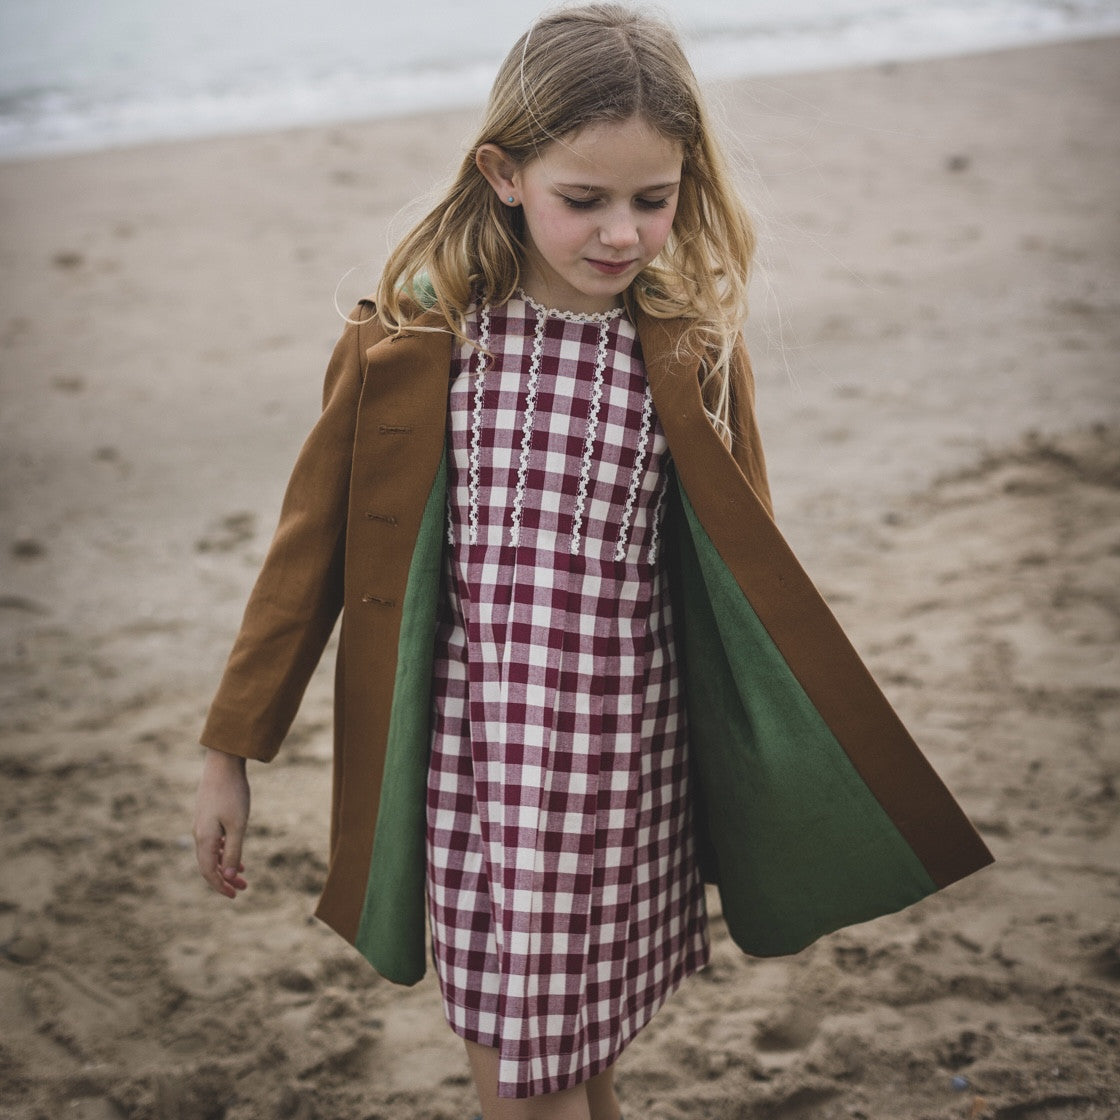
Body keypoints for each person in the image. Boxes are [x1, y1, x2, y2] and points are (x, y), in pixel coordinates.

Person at [193, 5, 992, 1118]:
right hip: (476, 780)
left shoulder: (691, 355)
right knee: (526, 1077)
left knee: (578, 1061)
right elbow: (306, 551)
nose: (621, 232)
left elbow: (746, 581)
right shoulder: (416, 345)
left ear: (684, 185)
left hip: (623, 778)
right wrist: (232, 745)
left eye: (651, 200)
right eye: (585, 199)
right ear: (504, 173)